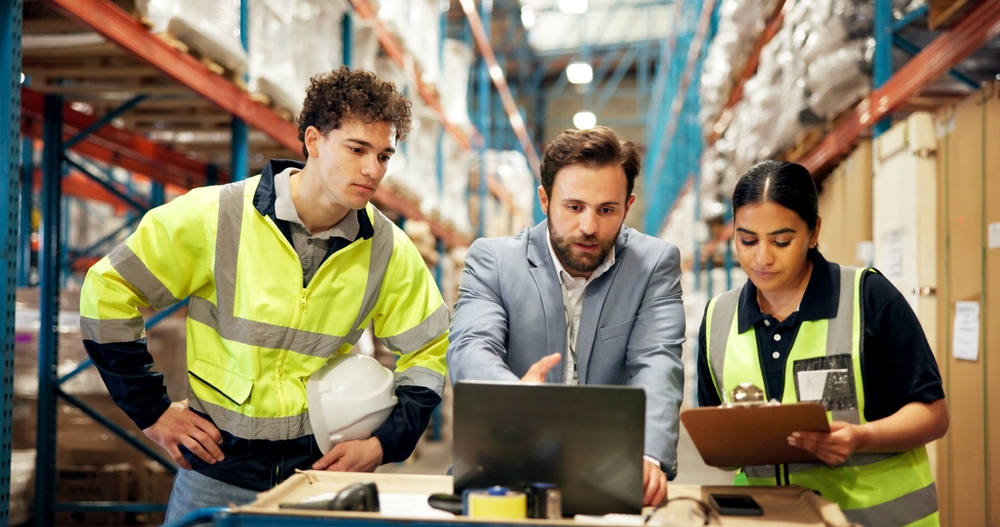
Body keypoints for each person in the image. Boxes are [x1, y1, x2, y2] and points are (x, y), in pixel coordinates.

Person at [80, 67, 450, 519]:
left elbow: (430, 351)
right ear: (314, 141)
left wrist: (382, 443)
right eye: (357, 149)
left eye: (385, 155)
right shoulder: (214, 216)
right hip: (217, 470)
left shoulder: (388, 250)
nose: (372, 169)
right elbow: (107, 289)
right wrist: (152, 412)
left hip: (316, 475)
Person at [697, 160, 948, 526]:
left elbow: (933, 415)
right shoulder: (719, 317)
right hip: (770, 518)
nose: (762, 258)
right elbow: (719, 446)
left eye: (782, 241)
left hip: (873, 518)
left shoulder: (868, 297)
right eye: (747, 240)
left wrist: (862, 438)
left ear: (813, 232)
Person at [447, 126, 686, 507]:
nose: (589, 226)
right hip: (505, 466)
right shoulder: (493, 261)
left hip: (610, 474)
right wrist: (514, 396)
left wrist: (648, 455)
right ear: (544, 199)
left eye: (607, 210)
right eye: (574, 207)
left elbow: (657, 362)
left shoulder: (653, 265)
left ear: (628, 205)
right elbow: (471, 347)